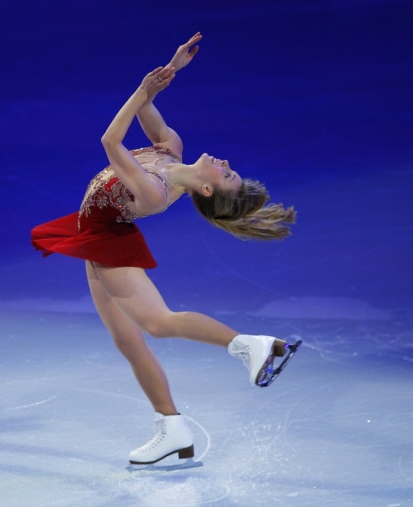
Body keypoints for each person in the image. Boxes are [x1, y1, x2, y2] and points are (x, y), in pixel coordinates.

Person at [31, 32, 299, 466]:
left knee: (157, 324)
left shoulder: (154, 192)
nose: (228, 164)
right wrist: (170, 70)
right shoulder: (170, 151)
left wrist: (142, 90)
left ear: (209, 188)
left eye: (228, 175)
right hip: (94, 235)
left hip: (107, 242)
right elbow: (145, 111)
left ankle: (250, 346)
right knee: (128, 340)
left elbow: (110, 142)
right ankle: (172, 428)